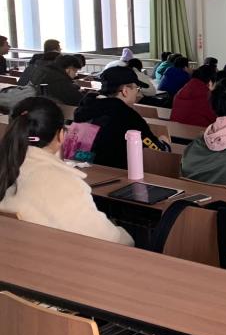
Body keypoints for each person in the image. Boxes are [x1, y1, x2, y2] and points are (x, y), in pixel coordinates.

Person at [0, 97, 133, 245]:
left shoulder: (10, 165)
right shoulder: (63, 183)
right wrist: (127, 237)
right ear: (61, 135)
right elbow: (111, 239)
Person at [73, 67, 168, 169]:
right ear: (125, 91)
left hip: (80, 169)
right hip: (115, 173)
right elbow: (155, 151)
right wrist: (164, 143)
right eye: (137, 89)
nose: (138, 94)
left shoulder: (85, 108)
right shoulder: (128, 117)